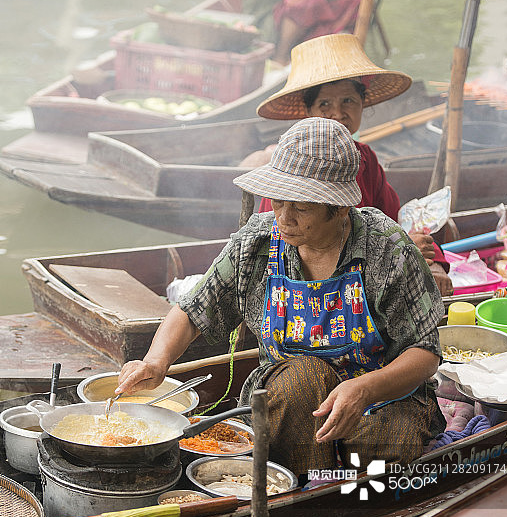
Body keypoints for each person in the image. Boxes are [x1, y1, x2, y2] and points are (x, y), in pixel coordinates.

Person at [117, 118, 446, 479]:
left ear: (338, 208)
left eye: (301, 208)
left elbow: (425, 351)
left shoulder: (388, 249)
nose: (284, 218)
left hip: (383, 395)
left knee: (378, 450)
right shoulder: (256, 243)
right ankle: (299, 490)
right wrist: (154, 362)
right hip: (288, 396)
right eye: (277, 201)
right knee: (304, 380)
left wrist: (365, 388)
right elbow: (194, 309)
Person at [255, 33, 454, 296]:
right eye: (324, 104)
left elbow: (394, 223)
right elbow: (286, 251)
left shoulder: (366, 160)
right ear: (309, 111)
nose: (338, 114)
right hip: (303, 290)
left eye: (348, 101)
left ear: (363, 105)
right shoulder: (289, 167)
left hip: (365, 285)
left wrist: (432, 262)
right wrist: (401, 253)